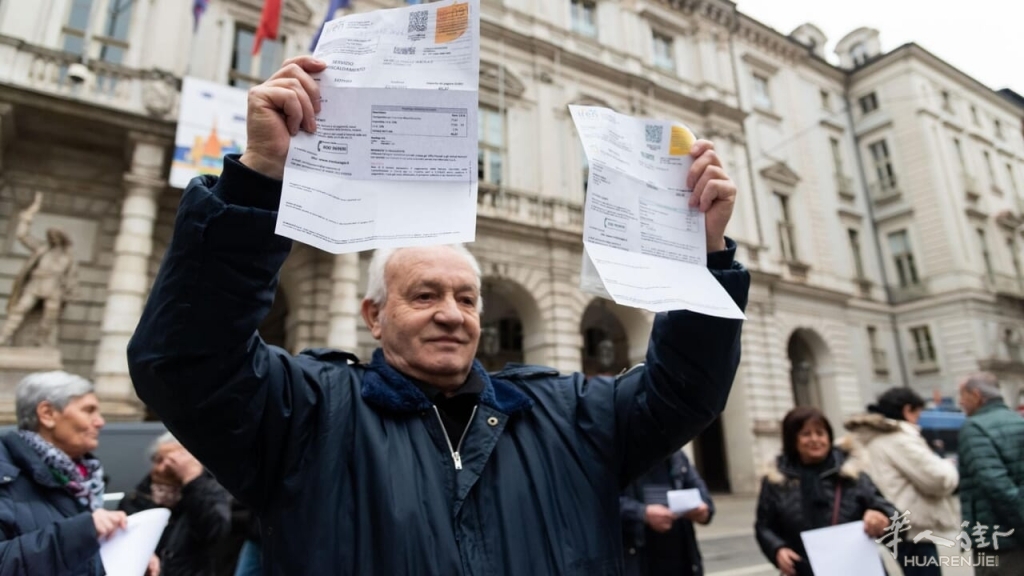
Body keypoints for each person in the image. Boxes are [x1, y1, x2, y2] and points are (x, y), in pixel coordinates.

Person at [127, 56, 750, 574]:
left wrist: (705, 260)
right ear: (374, 315)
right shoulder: (307, 415)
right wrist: (259, 182)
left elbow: (683, 390)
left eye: (467, 298)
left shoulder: (569, 415)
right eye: (424, 296)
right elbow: (187, 362)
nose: (452, 315)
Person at [0, 371, 129, 575]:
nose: (100, 422)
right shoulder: (5, 473)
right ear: (47, 414)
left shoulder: (82, 480)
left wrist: (128, 555)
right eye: (89, 410)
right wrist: (80, 532)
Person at [755, 407, 896, 576]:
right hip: (803, 569)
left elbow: (893, 517)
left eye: (820, 433)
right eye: (806, 434)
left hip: (857, 568)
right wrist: (777, 549)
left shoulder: (852, 474)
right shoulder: (776, 480)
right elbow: (764, 526)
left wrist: (881, 519)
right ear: (792, 439)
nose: (815, 439)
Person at [844, 387, 959, 576]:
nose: (919, 420)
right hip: (912, 528)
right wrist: (948, 467)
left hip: (890, 521)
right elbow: (938, 479)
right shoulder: (899, 438)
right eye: (918, 414)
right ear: (907, 410)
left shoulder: (872, 437)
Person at [119, 433, 232, 576]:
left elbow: (215, 531)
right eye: (159, 460)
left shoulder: (209, 491)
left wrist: (192, 479)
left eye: (173, 462)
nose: (164, 468)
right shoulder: (138, 497)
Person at [957, 373, 1024, 575]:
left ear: (977, 395)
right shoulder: (1018, 421)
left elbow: (996, 486)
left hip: (998, 541)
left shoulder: (975, 428)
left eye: (963, 395)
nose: (960, 402)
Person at [0, 192, 78, 346]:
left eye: (57, 236)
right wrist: (29, 214)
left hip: (54, 287)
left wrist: (70, 292)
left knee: (50, 316)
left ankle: (41, 343)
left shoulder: (68, 258)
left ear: (63, 238)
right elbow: (22, 236)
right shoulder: (42, 249)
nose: (54, 238)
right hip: (36, 284)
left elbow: (71, 278)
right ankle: (3, 338)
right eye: (52, 235)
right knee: (19, 310)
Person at [620, 450, 714, 576]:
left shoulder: (677, 455)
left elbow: (706, 501)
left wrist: (702, 511)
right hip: (640, 559)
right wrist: (643, 513)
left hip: (680, 560)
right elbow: (602, 502)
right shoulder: (620, 455)